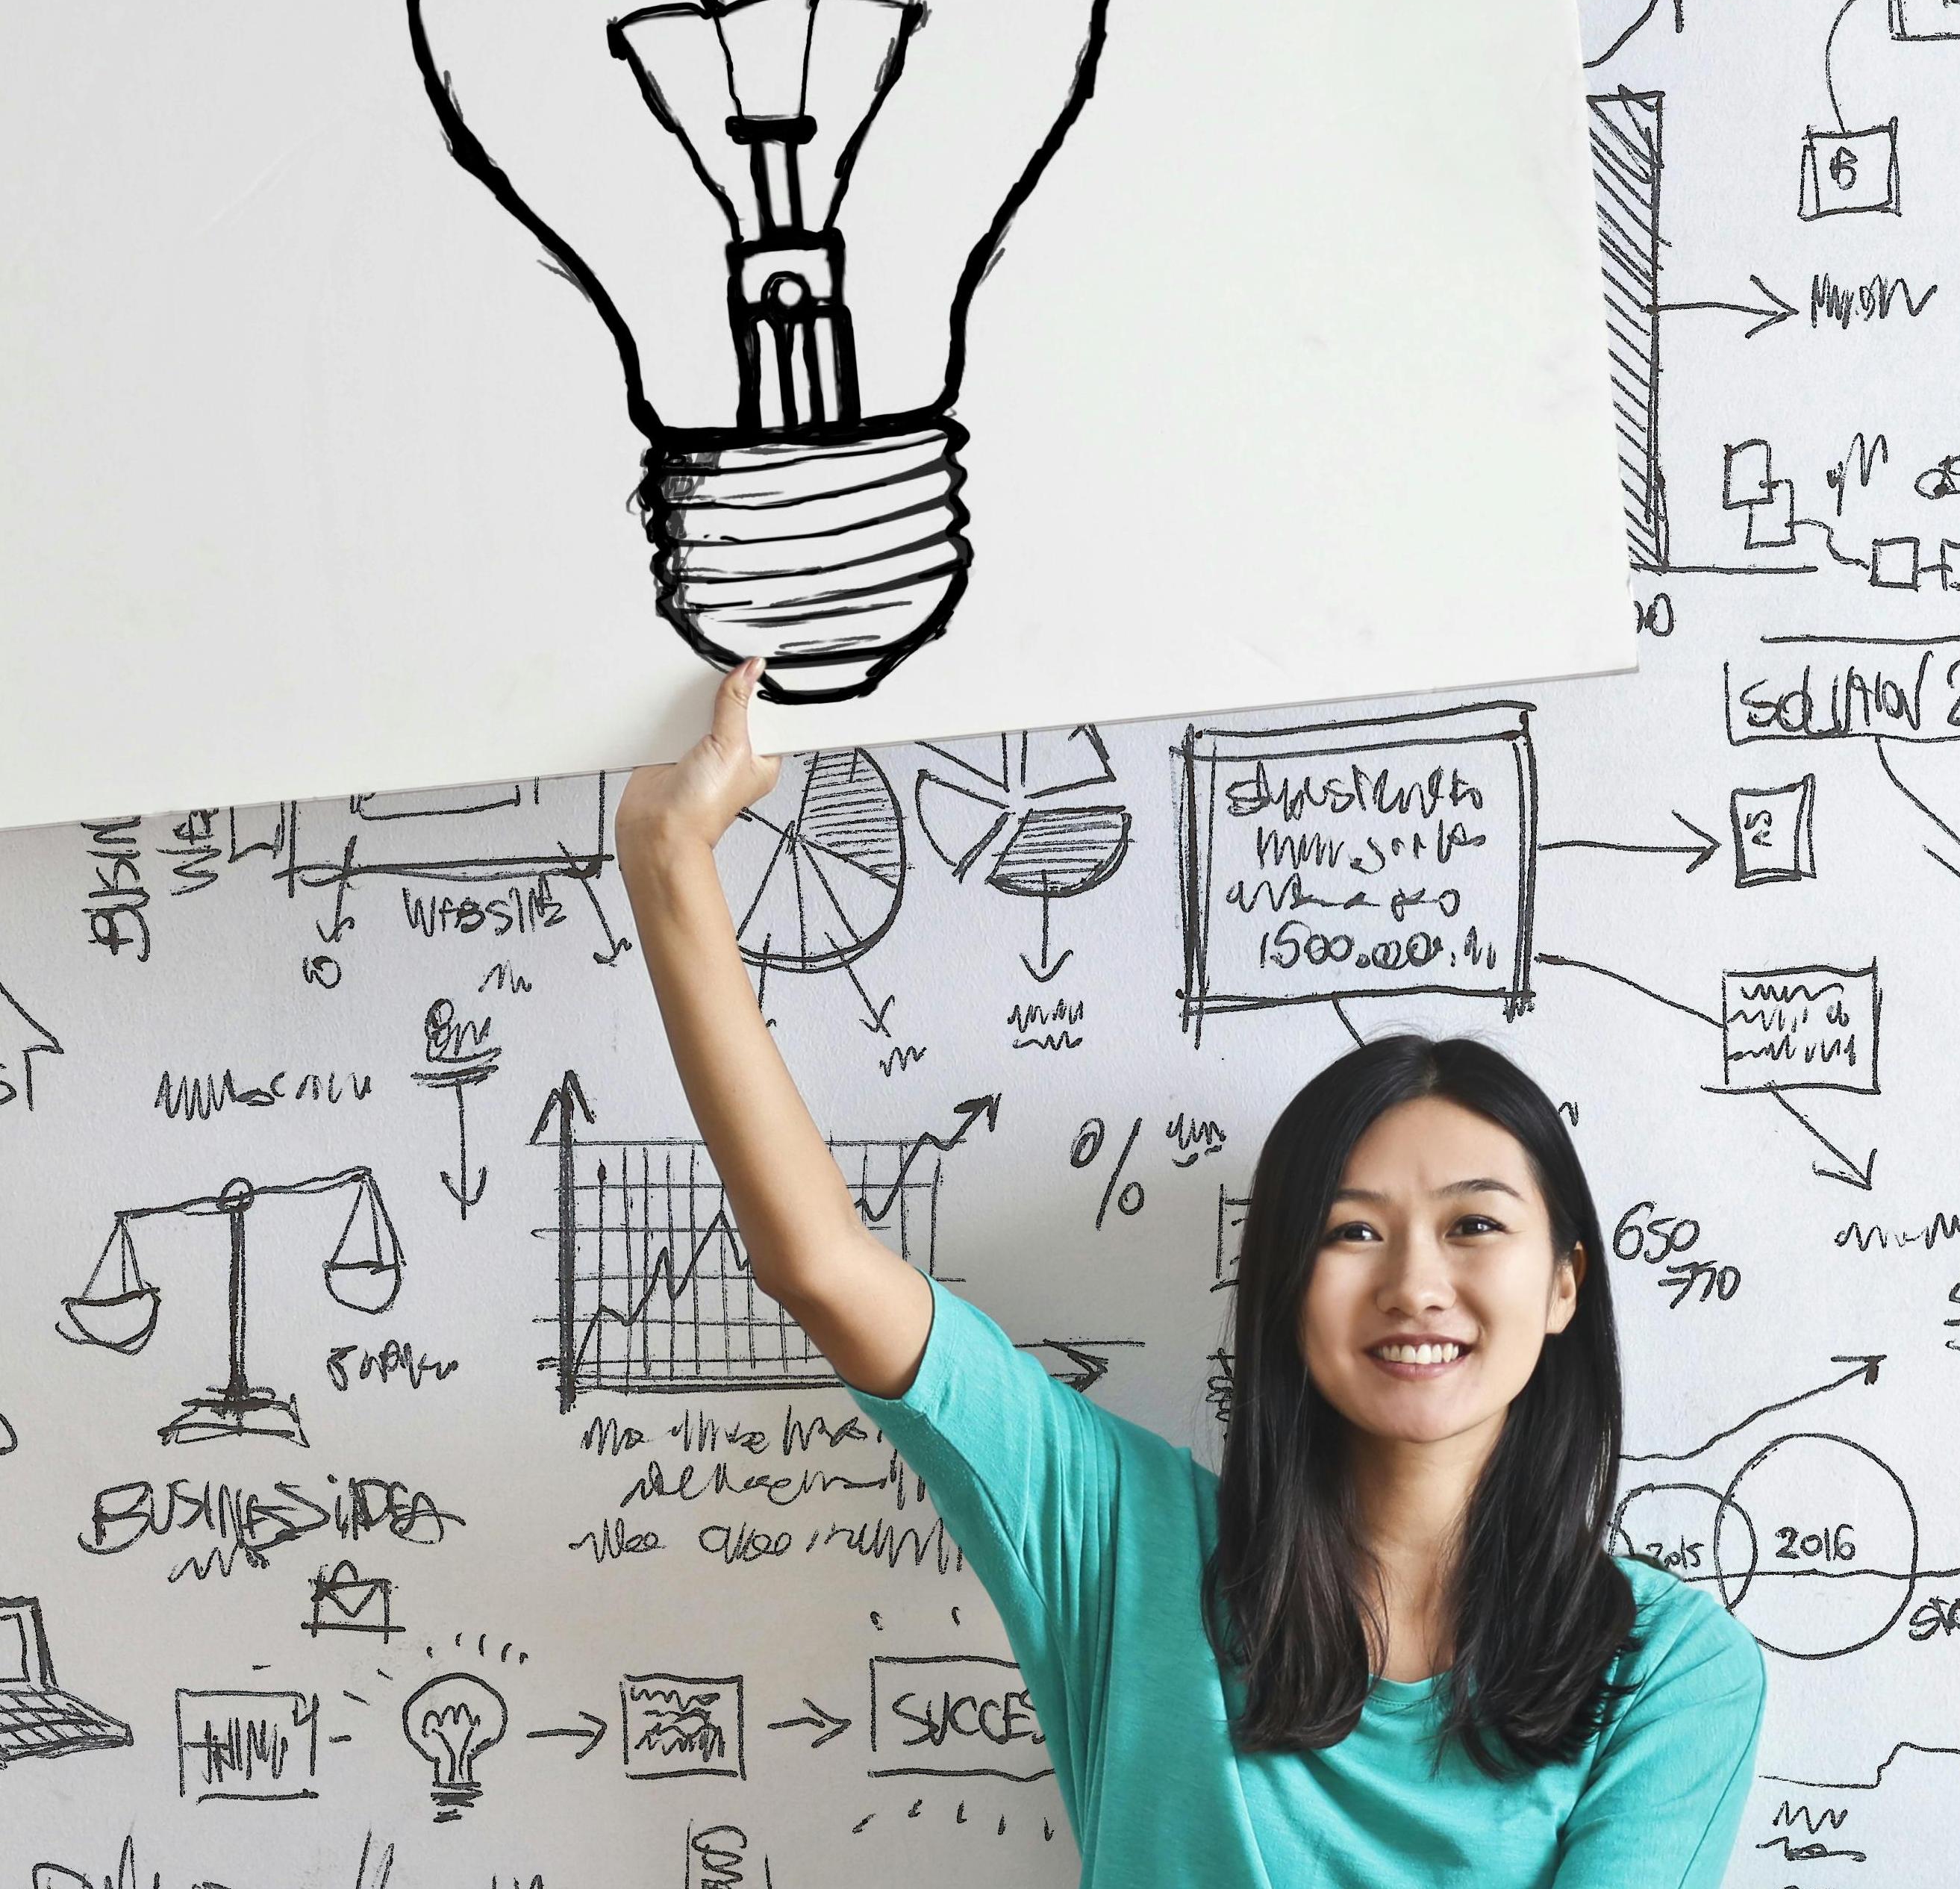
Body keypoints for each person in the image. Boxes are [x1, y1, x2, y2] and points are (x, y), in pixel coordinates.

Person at [617, 658, 1768, 1889]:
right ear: (1281, 1280)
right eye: (1351, 1230)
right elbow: (822, 1264)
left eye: (1475, 1226)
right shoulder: (1123, 1540)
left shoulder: (1667, 1662)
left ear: (1562, 1286)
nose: (1415, 1284)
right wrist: (668, 853)